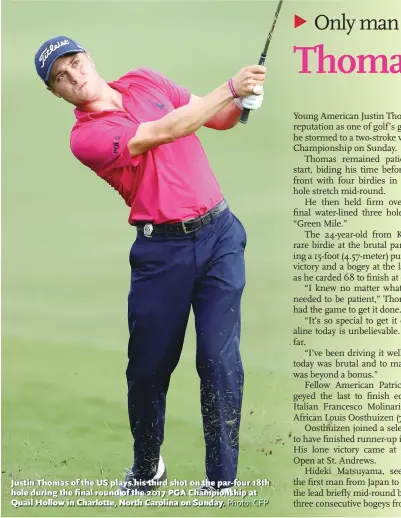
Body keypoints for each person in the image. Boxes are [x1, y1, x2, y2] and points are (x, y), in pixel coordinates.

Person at [34, 36, 265, 495]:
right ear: (56, 93)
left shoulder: (144, 79)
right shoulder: (87, 138)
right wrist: (230, 87)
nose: (75, 77)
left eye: (76, 64)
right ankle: (147, 468)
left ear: (90, 59)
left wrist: (243, 102)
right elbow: (165, 131)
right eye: (61, 77)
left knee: (219, 362)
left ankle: (222, 483)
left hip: (219, 235)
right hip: (162, 254)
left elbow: (212, 116)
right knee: (147, 369)